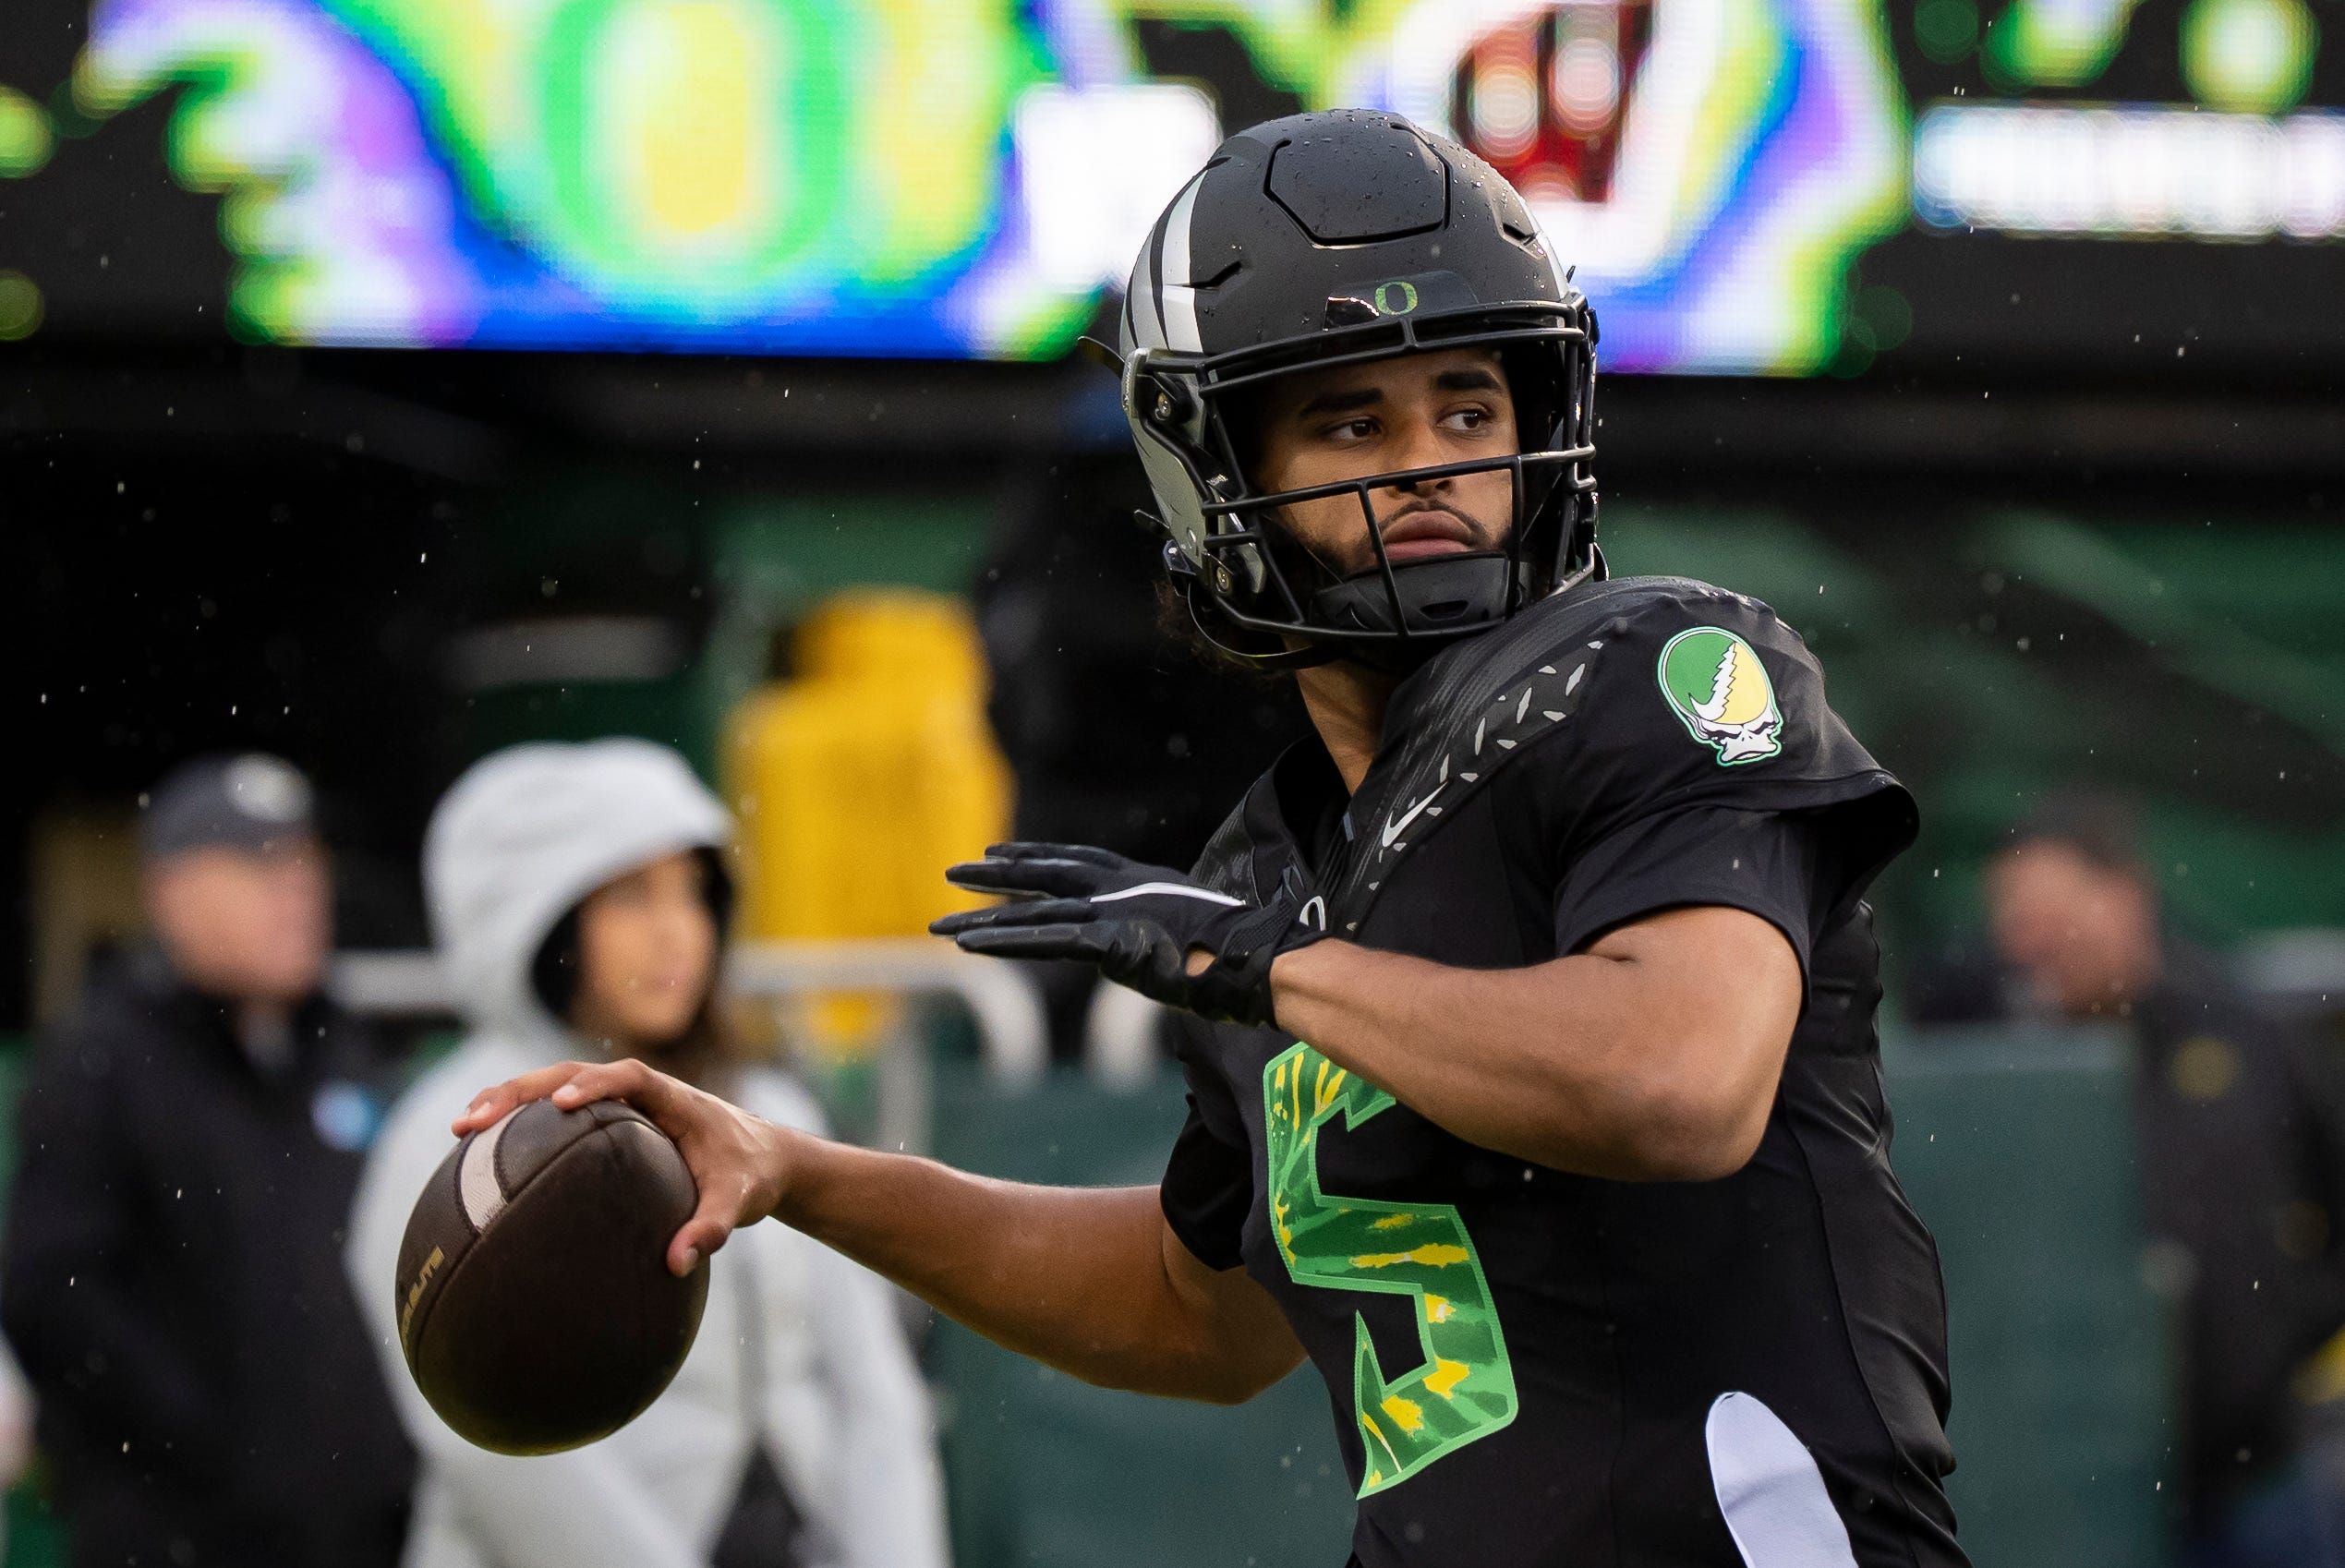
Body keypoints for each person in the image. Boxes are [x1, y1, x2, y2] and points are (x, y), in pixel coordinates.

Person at [455, 112, 1960, 1566]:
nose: (1426, 460)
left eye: (1466, 406)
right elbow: (1195, 1311)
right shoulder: (1257, 869)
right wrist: (797, 1170)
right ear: (1209, 472)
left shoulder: (1649, 672)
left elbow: (1671, 1079)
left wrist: (1272, 967)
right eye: (1348, 419)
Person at [347, 739, 948, 1568]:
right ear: (541, 919)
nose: (676, 932)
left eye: (692, 891)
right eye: (631, 896)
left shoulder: (767, 1111)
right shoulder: (457, 1135)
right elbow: (489, 1453)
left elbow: (872, 1394)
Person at [3, 753, 416, 1568]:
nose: (298, 888)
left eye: (306, 859)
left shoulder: (346, 1052)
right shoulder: (103, 1064)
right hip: (180, 1543)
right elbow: (51, 1292)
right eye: (261, 863)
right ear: (171, 891)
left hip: (356, 1539)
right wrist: (219, 1450)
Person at [1987, 792, 2345, 1568]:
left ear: (2121, 895)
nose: (2024, 942)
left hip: (2258, 1480)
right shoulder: (1995, 1065)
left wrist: (2288, 1349)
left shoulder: (2241, 1032)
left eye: (2044, 913)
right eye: (2010, 919)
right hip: (2066, 1493)